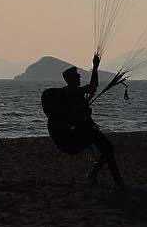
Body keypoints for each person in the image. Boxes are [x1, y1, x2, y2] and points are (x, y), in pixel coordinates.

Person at [42, 54, 125, 188]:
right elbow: (92, 87)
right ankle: (114, 181)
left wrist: (95, 68)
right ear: (71, 79)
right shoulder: (72, 93)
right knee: (108, 148)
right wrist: (95, 67)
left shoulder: (75, 93)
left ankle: (100, 176)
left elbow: (93, 87)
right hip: (70, 140)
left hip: (73, 137)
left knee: (107, 149)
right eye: (77, 76)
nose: (80, 77)